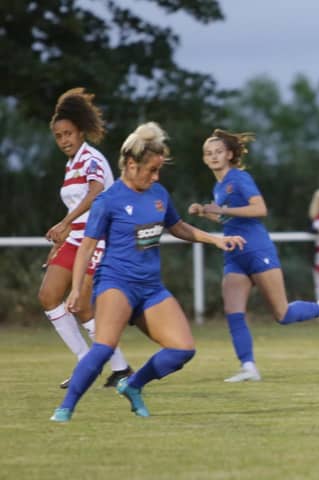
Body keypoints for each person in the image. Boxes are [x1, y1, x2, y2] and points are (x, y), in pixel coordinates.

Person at [50, 122, 246, 422]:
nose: (155, 177)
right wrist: (76, 289)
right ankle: (65, 409)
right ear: (130, 164)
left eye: (159, 171)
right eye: (151, 170)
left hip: (151, 288)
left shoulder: (158, 193)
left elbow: (178, 227)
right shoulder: (108, 200)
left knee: (183, 349)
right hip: (116, 283)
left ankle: (133, 385)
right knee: (103, 348)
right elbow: (87, 247)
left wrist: (215, 239)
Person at [188, 129, 319, 383]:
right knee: (233, 311)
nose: (214, 156)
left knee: (282, 314)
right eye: (209, 153)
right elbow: (227, 217)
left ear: (229, 154)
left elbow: (259, 209)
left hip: (256, 248)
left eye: (219, 151)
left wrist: (222, 208)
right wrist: (206, 212)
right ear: (205, 159)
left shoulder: (240, 178)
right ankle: (249, 367)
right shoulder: (218, 186)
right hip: (234, 254)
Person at [38, 87, 133, 389]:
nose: (64, 140)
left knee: (81, 305)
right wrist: (59, 241)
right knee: (48, 296)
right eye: (59, 136)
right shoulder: (70, 165)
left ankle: (121, 369)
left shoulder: (91, 158)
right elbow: (75, 207)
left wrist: (64, 222)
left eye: (68, 133)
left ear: (81, 132)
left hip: (100, 239)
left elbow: (95, 192)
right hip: (76, 240)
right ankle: (84, 360)